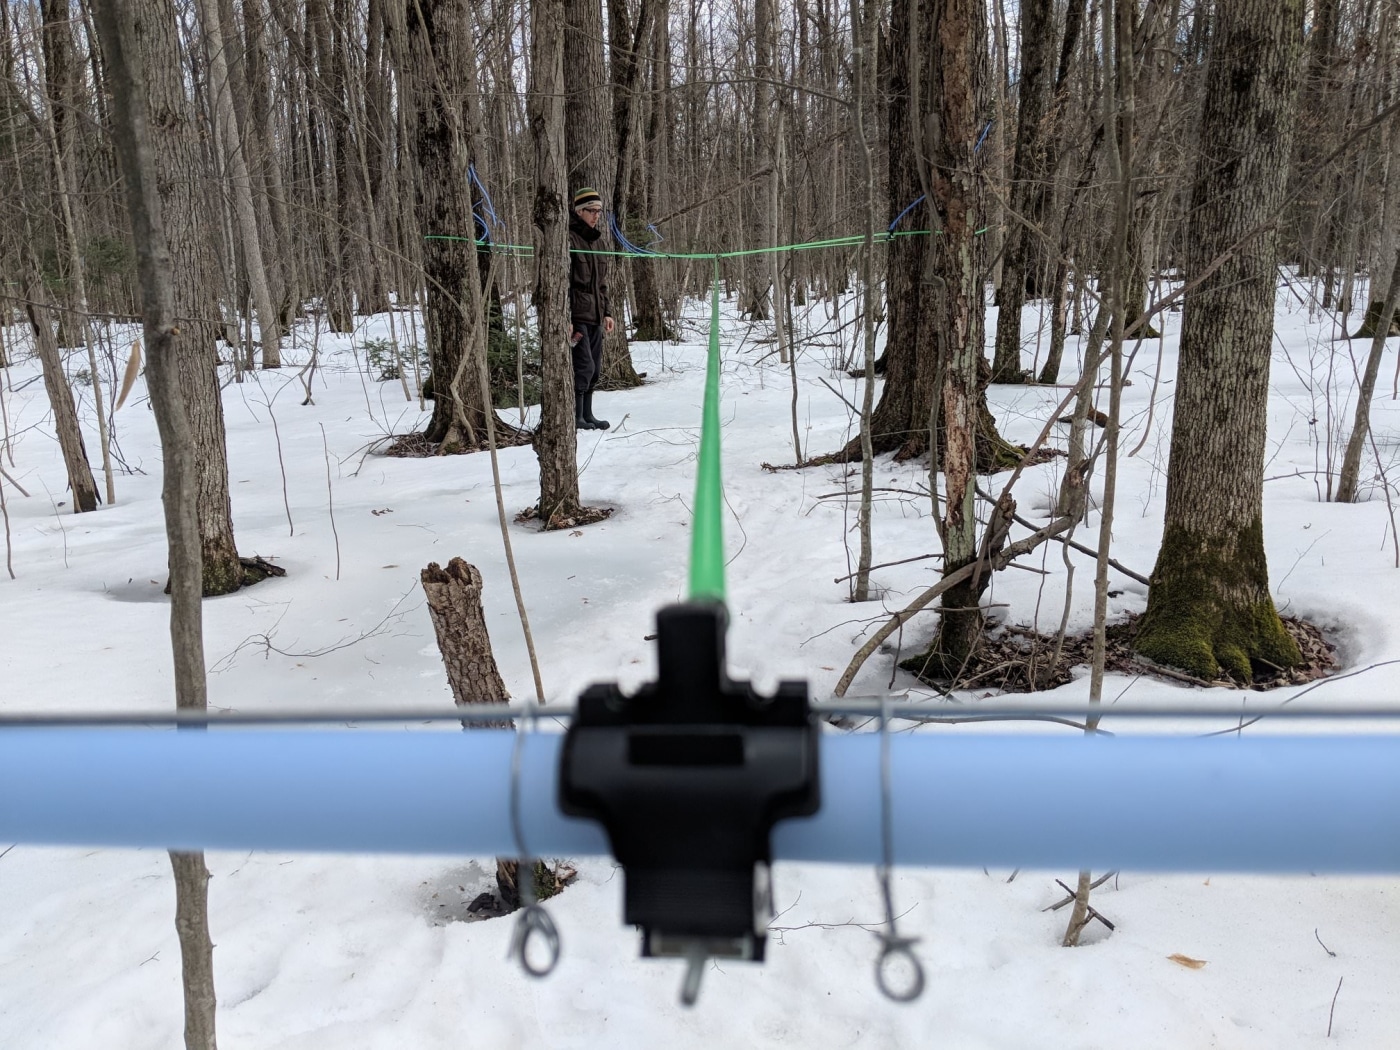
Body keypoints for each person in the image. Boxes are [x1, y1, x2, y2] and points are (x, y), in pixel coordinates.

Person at [568, 187, 615, 430]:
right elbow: (561, 283)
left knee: (595, 367)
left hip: (596, 316)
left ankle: (588, 414)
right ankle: (576, 417)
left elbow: (602, 285)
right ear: (579, 211)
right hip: (576, 317)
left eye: (599, 211)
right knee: (583, 365)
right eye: (592, 211)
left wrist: (607, 312)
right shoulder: (569, 239)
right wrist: (566, 317)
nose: (596, 215)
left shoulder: (598, 242)